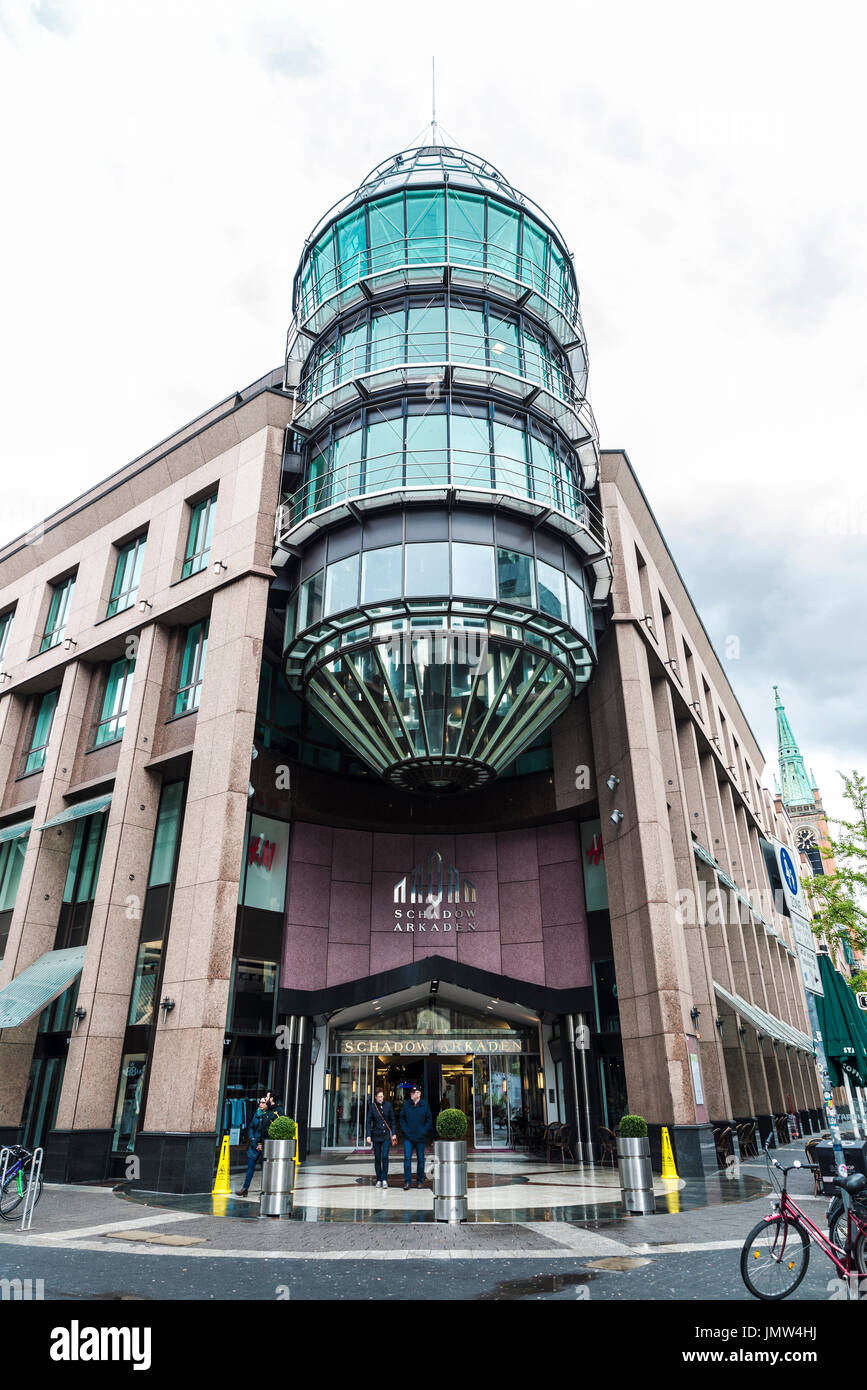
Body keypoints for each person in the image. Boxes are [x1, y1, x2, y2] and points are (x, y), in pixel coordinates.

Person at [235, 1095, 271, 1197]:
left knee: (265, 1170)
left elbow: (265, 1132)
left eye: (263, 1102)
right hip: (253, 1145)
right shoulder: (257, 1113)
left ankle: (266, 1190)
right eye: (260, 1102)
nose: (260, 1104)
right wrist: (251, 1138)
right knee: (250, 1168)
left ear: (267, 1104)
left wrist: (260, 1144)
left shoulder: (268, 1115)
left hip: (263, 1146)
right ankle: (245, 1189)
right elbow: (251, 1127)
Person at [400, 1085, 433, 1189]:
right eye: (411, 1093)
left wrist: (423, 1131)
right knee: (407, 1159)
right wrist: (406, 1131)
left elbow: (429, 1120)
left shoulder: (425, 1105)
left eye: (414, 1093)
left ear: (419, 1094)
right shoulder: (407, 1105)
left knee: (421, 1160)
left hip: (420, 1138)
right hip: (408, 1138)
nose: (411, 1094)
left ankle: (420, 1181)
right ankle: (407, 1182)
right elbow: (402, 1119)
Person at [365, 1086, 397, 1188]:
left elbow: (393, 1120)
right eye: (379, 1097)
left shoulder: (388, 1105)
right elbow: (368, 1121)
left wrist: (394, 1133)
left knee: (385, 1157)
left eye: (382, 1096)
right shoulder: (372, 1107)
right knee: (377, 1158)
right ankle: (378, 1179)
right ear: (375, 1097)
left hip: (386, 1135)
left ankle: (384, 1179)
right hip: (376, 1135)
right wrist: (368, 1135)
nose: (380, 1099)